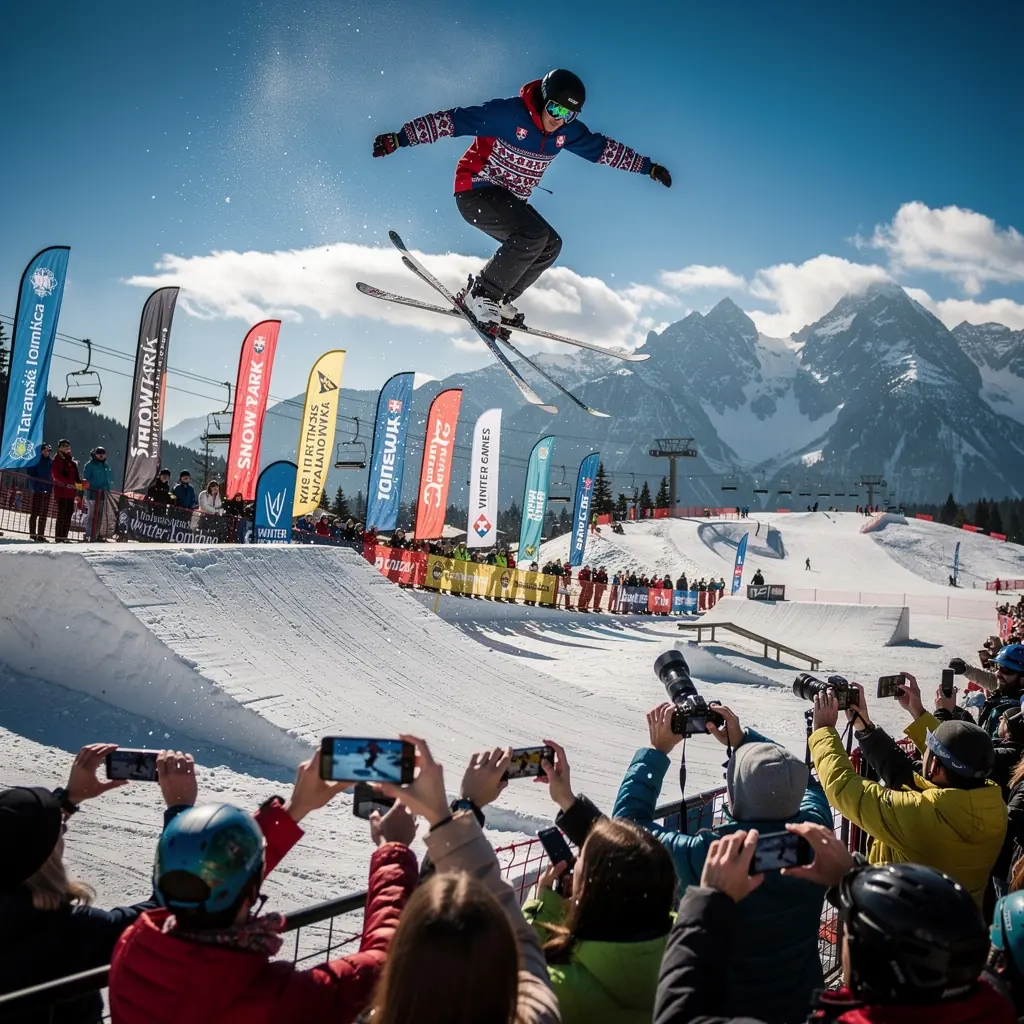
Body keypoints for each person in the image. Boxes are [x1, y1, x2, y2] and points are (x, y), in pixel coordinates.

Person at [109, 757, 418, 1024]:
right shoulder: (276, 1001)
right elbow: (384, 962)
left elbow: (228, 873)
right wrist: (393, 850)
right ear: (252, 891)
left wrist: (294, 809)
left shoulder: (134, 946)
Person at [373, 69, 671, 328]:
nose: (559, 120)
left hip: (509, 199)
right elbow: (454, 121)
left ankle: (498, 299)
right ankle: (482, 294)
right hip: (475, 190)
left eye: (569, 115)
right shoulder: (507, 115)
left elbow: (604, 149)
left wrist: (648, 168)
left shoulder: (565, 133)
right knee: (532, 234)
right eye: (555, 110)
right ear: (543, 99)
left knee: (550, 246)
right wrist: (401, 138)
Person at [653, 825, 1014, 1023]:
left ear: (868, 962)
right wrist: (851, 879)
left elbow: (678, 1017)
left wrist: (709, 900)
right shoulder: (996, 1005)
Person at [614, 704, 832, 1023]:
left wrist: (656, 751)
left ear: (734, 795)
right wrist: (745, 739)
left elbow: (626, 828)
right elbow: (805, 781)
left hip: (727, 1012)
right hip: (802, 1006)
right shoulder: (817, 839)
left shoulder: (714, 857)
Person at [0, 746, 199, 1023]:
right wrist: (180, 811)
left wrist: (68, 800)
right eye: (60, 830)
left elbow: (19, 843)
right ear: (46, 857)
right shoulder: (71, 931)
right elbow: (168, 908)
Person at [366, 738, 559, 1024]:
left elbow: (522, 945)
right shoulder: (533, 1016)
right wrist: (454, 813)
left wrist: (465, 807)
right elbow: (524, 946)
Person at [809, 677, 1006, 908]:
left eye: (927, 751)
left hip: (899, 926)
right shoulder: (995, 809)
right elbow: (906, 774)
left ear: (933, 767)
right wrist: (866, 726)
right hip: (957, 925)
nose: (922, 753)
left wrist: (823, 731)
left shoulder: (920, 815)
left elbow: (844, 787)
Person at [521, 817, 675, 1024]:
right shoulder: (690, 947)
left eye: (579, 866)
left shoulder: (556, 989)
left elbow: (509, 975)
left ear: (588, 892)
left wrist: (541, 907)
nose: (573, 865)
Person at [950, 645, 1024, 737]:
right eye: (998, 666)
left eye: (1006, 670)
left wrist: (959, 715)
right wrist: (966, 669)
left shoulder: (1017, 713)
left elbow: (990, 748)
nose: (998, 673)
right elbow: (991, 680)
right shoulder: (1009, 686)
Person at [49, 439, 82, 543]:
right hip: (61, 491)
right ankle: (59, 537)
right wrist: (66, 483)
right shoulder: (58, 459)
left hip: (71, 494)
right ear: (59, 448)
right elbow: (55, 474)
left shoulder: (72, 463)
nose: (66, 447)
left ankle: (64, 536)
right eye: (64, 446)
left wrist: (80, 492)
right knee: (62, 513)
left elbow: (77, 478)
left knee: (69, 513)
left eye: (68, 446)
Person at [81, 445, 114, 542]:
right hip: (92, 493)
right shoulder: (90, 465)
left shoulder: (106, 466)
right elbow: (85, 479)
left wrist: (108, 489)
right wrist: (89, 487)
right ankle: (88, 534)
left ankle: (96, 534)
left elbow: (109, 479)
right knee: (92, 515)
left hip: (103, 494)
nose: (101, 455)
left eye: (103, 453)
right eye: (99, 453)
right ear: (95, 454)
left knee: (99, 515)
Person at [25, 442, 53, 541]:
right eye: (45, 450)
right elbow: (30, 473)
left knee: (44, 513)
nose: (47, 452)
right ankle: (32, 534)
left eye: (48, 450)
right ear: (41, 451)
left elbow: (53, 475)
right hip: (38, 489)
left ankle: (41, 535)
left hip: (47, 490)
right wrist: (36, 482)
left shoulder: (50, 462)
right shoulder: (36, 460)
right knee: (35, 512)